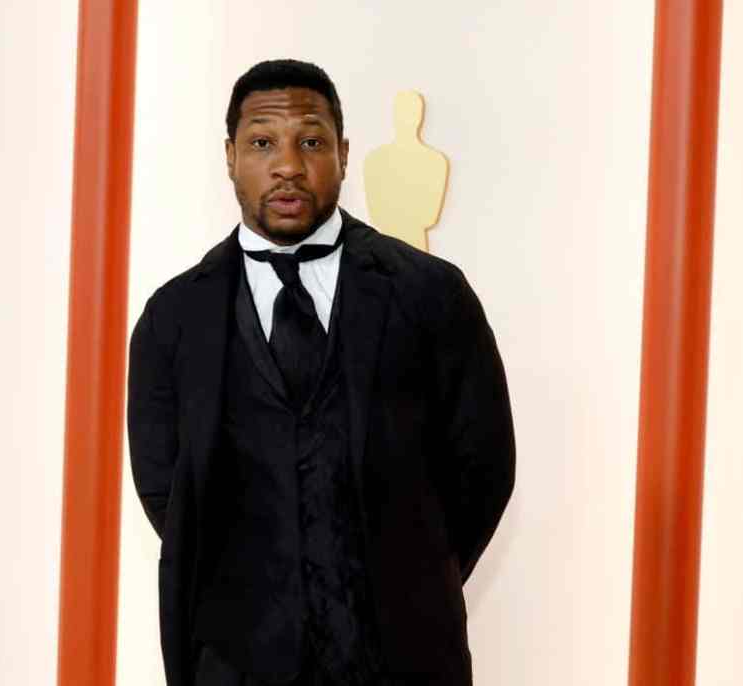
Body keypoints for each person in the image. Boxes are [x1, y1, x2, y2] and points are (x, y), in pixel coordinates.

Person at [128, 59, 515, 686]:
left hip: (403, 658)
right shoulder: (172, 317)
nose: (287, 165)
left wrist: (411, 578)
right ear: (229, 157)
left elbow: (484, 469)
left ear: (342, 153)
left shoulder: (430, 296)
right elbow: (167, 492)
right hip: (234, 662)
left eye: (311, 141)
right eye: (261, 143)